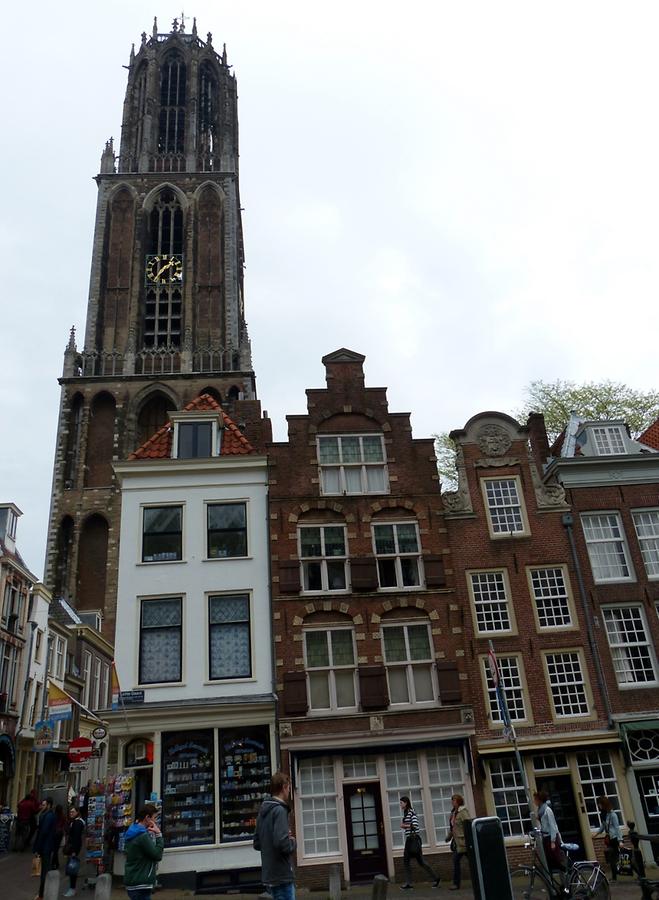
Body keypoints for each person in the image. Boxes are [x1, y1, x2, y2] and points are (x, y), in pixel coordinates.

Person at [254, 771, 297, 900]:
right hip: (282, 876)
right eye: (289, 788)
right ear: (284, 787)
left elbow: (256, 843)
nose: (289, 792)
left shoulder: (263, 811)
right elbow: (281, 844)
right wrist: (292, 842)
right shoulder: (279, 810)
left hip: (269, 875)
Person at [123, 804, 164, 900]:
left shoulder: (133, 832)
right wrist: (158, 835)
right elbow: (157, 855)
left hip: (133, 881)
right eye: (154, 818)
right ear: (147, 818)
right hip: (141, 882)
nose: (155, 821)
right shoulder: (142, 836)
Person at [399, 796, 440, 890]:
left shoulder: (411, 812)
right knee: (419, 862)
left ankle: (409, 883)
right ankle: (436, 878)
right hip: (411, 840)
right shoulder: (406, 813)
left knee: (410, 861)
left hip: (412, 840)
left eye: (401, 803)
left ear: (406, 803)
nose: (400, 805)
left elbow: (415, 826)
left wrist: (404, 825)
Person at [534, 790, 565, 880]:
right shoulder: (540, 810)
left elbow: (552, 826)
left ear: (539, 800)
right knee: (548, 862)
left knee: (557, 861)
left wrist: (553, 841)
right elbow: (544, 826)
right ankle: (552, 883)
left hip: (551, 838)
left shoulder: (547, 810)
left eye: (535, 799)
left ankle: (566, 878)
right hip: (545, 838)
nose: (534, 801)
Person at [32, 798, 57, 900]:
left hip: (45, 847)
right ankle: (43, 893)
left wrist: (37, 848)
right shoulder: (47, 815)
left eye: (44, 805)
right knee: (45, 870)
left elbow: (43, 832)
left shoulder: (48, 816)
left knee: (44, 871)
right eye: (41, 805)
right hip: (46, 846)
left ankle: (42, 894)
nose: (41, 806)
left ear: (49, 805)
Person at [446, 793, 470, 890]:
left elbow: (468, 824)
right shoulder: (453, 813)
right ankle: (456, 884)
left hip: (464, 842)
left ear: (458, 802)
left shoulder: (463, 812)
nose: (452, 802)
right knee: (456, 861)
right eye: (452, 800)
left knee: (473, 862)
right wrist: (448, 837)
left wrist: (467, 837)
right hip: (458, 843)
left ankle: (483, 879)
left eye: (454, 800)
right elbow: (453, 828)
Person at [596, 796, 622, 882]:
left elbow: (617, 828)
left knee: (614, 858)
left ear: (604, 804)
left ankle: (615, 877)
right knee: (613, 858)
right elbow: (603, 826)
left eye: (599, 804)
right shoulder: (604, 814)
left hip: (614, 839)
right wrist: (597, 833)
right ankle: (614, 877)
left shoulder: (613, 815)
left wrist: (620, 840)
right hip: (609, 839)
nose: (598, 806)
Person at [63, 805, 86, 897]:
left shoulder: (77, 823)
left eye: (73, 812)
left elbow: (76, 838)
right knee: (72, 868)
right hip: (75, 848)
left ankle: (72, 888)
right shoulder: (77, 822)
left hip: (74, 849)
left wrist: (74, 851)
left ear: (77, 812)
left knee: (72, 869)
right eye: (70, 812)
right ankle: (71, 888)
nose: (71, 813)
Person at [51, 803, 66, 869]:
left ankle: (54, 863)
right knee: (56, 849)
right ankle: (56, 863)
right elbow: (64, 825)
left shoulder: (54, 816)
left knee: (55, 849)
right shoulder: (63, 816)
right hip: (60, 834)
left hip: (54, 833)